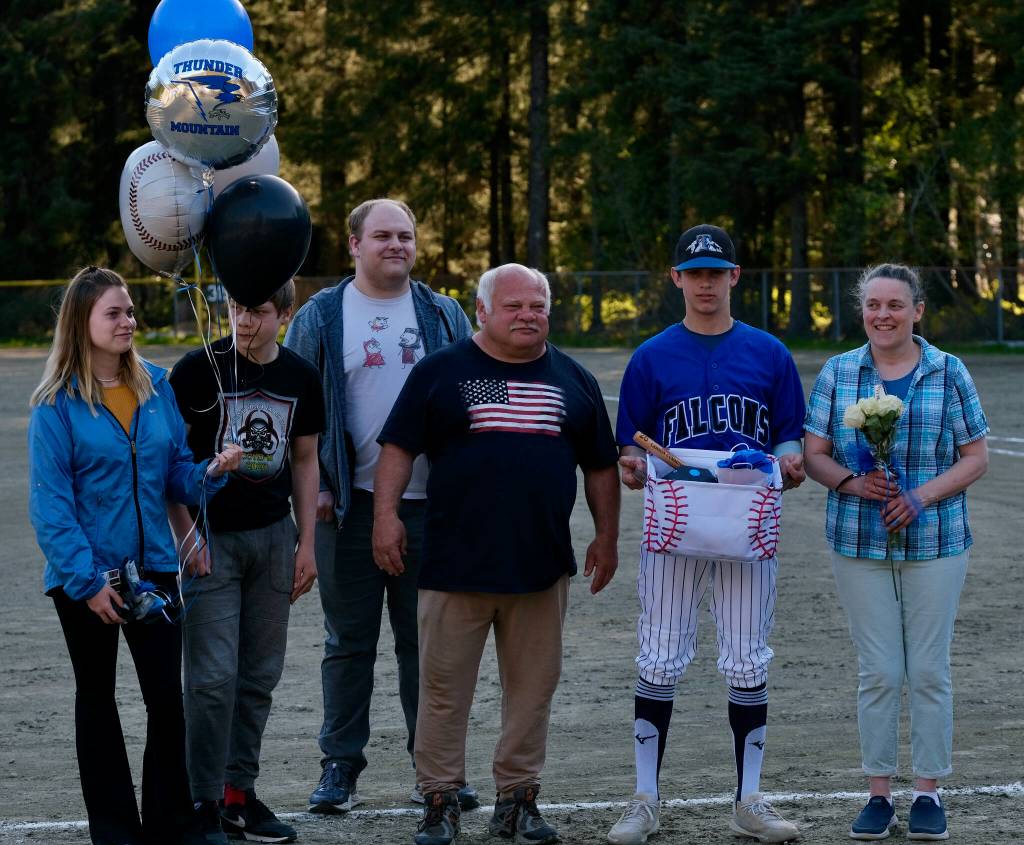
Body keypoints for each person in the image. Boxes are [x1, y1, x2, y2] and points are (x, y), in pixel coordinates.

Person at [373, 263, 621, 845]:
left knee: (533, 692)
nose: (528, 315)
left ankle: (518, 799)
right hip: (454, 566)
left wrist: (606, 537)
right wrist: (385, 517)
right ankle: (439, 799)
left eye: (537, 306)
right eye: (513, 306)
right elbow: (397, 448)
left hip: (539, 567)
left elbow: (601, 465)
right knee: (441, 691)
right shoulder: (443, 372)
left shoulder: (574, 379)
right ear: (481, 311)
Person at [27, 267, 241, 845]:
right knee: (96, 701)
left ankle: (170, 823)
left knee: (166, 700)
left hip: (155, 571)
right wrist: (87, 582)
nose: (128, 321)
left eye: (129, 311)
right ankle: (116, 831)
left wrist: (209, 474)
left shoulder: (154, 383)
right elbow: (51, 506)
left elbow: (173, 473)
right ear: (83, 324)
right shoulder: (55, 405)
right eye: (114, 314)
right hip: (86, 578)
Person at [607, 225, 806, 845]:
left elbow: (788, 434)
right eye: (694, 274)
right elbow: (627, 445)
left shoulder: (769, 353)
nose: (705, 284)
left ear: (735, 277)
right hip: (675, 517)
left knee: (746, 658)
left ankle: (749, 800)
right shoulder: (652, 356)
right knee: (659, 654)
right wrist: (632, 466)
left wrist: (792, 458)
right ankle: (644, 799)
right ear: (677, 279)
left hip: (746, 521)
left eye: (716, 273)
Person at [283, 198, 476, 813]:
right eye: (384, 236)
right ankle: (339, 767)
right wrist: (316, 491)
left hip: (432, 506)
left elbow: (475, 399)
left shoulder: (443, 315)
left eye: (407, 236)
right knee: (348, 642)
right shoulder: (320, 316)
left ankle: (439, 771)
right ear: (354, 246)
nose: (397, 245)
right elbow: (295, 409)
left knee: (429, 644)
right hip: (347, 507)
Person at [803, 264, 988, 841]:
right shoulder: (839, 371)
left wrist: (919, 496)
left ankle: (928, 792)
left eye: (895, 305)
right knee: (880, 671)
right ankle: (879, 793)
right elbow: (815, 453)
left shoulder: (948, 371)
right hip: (858, 541)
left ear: (917, 311)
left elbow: (975, 457)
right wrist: (855, 485)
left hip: (936, 541)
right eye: (873, 305)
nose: (883, 315)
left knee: (929, 669)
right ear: (863, 312)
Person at [167, 279, 325, 844]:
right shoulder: (194, 370)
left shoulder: (301, 376)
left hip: (273, 538)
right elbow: (168, 461)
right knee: (210, 680)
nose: (243, 321)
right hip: (212, 540)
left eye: (257, 311)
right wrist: (186, 534)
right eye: (235, 308)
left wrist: (306, 542)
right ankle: (202, 802)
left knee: (258, 676)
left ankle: (238, 796)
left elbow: (305, 461)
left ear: (284, 312)